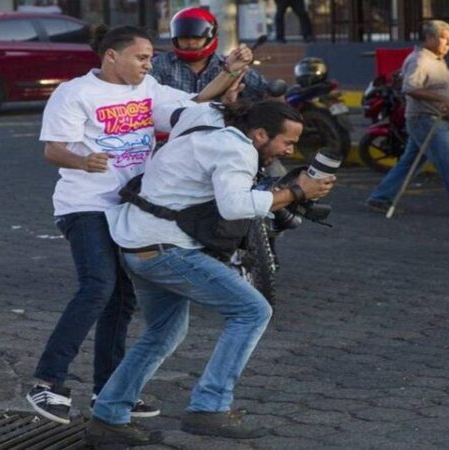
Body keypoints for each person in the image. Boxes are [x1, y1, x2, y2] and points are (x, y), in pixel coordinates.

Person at [26, 24, 252, 425]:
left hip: (132, 208)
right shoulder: (75, 92)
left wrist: (230, 72)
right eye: (142, 57)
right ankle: (47, 381)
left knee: (122, 300)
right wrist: (82, 161)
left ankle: (107, 391)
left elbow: (196, 102)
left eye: (150, 57)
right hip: (87, 205)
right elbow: (52, 150)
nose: (150, 65)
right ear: (112, 56)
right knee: (98, 286)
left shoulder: (148, 89)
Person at [84, 100, 336, 447]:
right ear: (260, 134)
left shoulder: (207, 129)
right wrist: (295, 191)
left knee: (164, 332)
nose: (289, 150)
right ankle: (209, 408)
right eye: (286, 143)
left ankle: (108, 417)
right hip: (165, 251)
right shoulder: (237, 150)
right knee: (253, 310)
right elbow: (234, 206)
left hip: (138, 244)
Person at [366, 20, 449, 218]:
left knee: (410, 163)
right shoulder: (420, 60)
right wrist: (441, 99)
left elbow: (439, 88)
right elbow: (410, 87)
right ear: (430, 38)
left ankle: (381, 197)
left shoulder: (436, 59)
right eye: (445, 39)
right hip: (426, 120)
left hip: (432, 118)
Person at [150, 6, 269, 102]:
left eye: (197, 38)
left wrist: (236, 69)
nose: (190, 42)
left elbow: (266, 93)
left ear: (210, 38)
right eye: (184, 38)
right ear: (175, 38)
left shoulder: (228, 64)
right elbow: (147, 97)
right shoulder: (161, 64)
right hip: (172, 129)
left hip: (219, 129)